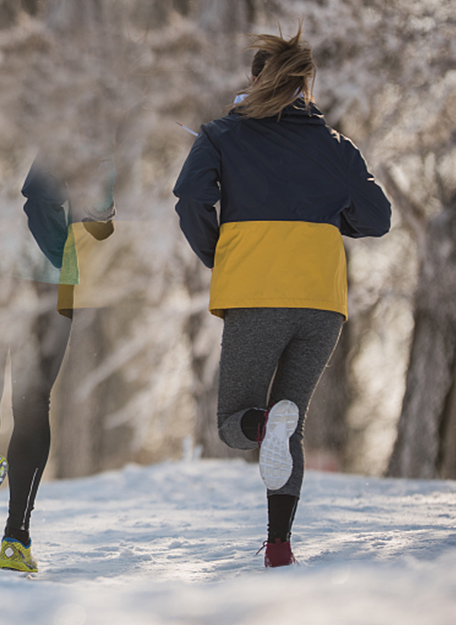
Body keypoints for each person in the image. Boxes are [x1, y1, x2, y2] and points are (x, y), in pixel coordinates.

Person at [173, 29, 389, 568]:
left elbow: (191, 200)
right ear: (304, 83)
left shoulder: (222, 135)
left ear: (254, 79)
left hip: (257, 291)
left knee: (237, 422)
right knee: (289, 413)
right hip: (321, 298)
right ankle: (279, 546)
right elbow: (377, 218)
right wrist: (328, 208)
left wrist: (220, 256)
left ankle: (268, 436)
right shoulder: (336, 147)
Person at [0, 154, 116, 574]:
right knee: (32, 404)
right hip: (48, 276)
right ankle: (16, 539)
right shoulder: (89, 118)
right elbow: (90, 215)